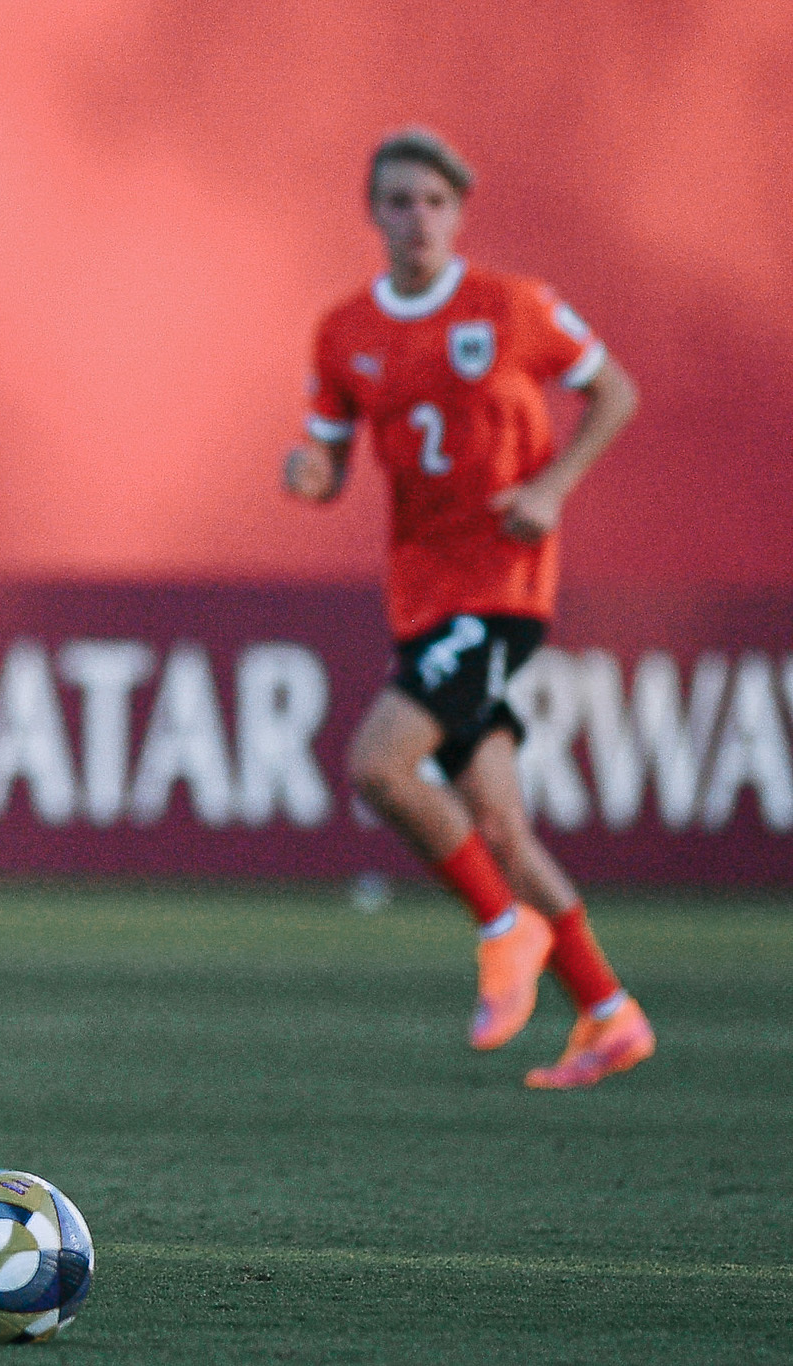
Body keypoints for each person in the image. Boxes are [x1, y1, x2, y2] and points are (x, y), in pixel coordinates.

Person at [284, 128, 652, 1090]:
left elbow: (613, 390)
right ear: (374, 212)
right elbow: (326, 460)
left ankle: (504, 929)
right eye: (399, 202)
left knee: (378, 764)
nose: (418, 220)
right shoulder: (345, 331)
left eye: (435, 202)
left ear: (460, 209)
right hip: (423, 593)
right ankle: (609, 1012)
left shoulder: (511, 307)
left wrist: (554, 488)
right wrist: (310, 469)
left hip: (500, 588)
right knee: (500, 828)